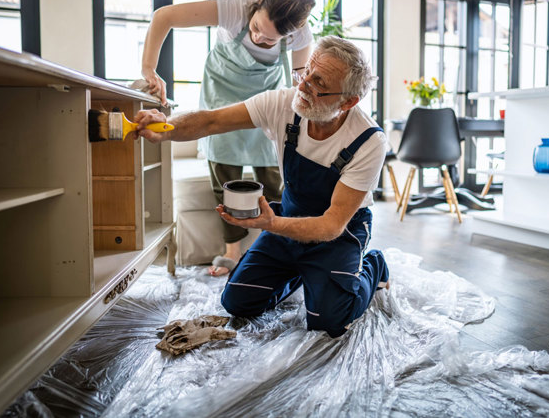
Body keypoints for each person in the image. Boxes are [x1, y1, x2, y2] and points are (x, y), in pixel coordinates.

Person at [134, 36, 389, 338]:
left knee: (330, 322)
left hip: (339, 233)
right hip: (289, 219)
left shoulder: (368, 141)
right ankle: (302, 271)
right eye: (305, 71)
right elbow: (212, 121)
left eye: (318, 81)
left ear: (347, 101)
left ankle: (375, 265)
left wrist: (271, 223)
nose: (303, 84)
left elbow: (332, 225)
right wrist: (166, 128)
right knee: (237, 303)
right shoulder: (284, 104)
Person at [140, 0, 316, 276]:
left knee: (274, 181)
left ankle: (280, 249)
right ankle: (232, 250)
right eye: (257, 28)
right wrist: (149, 68)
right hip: (222, 93)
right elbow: (165, 16)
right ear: (256, 8)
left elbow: (299, 84)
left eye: (271, 39)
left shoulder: (300, 33)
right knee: (226, 178)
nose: (259, 38)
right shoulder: (236, 8)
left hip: (265, 100)